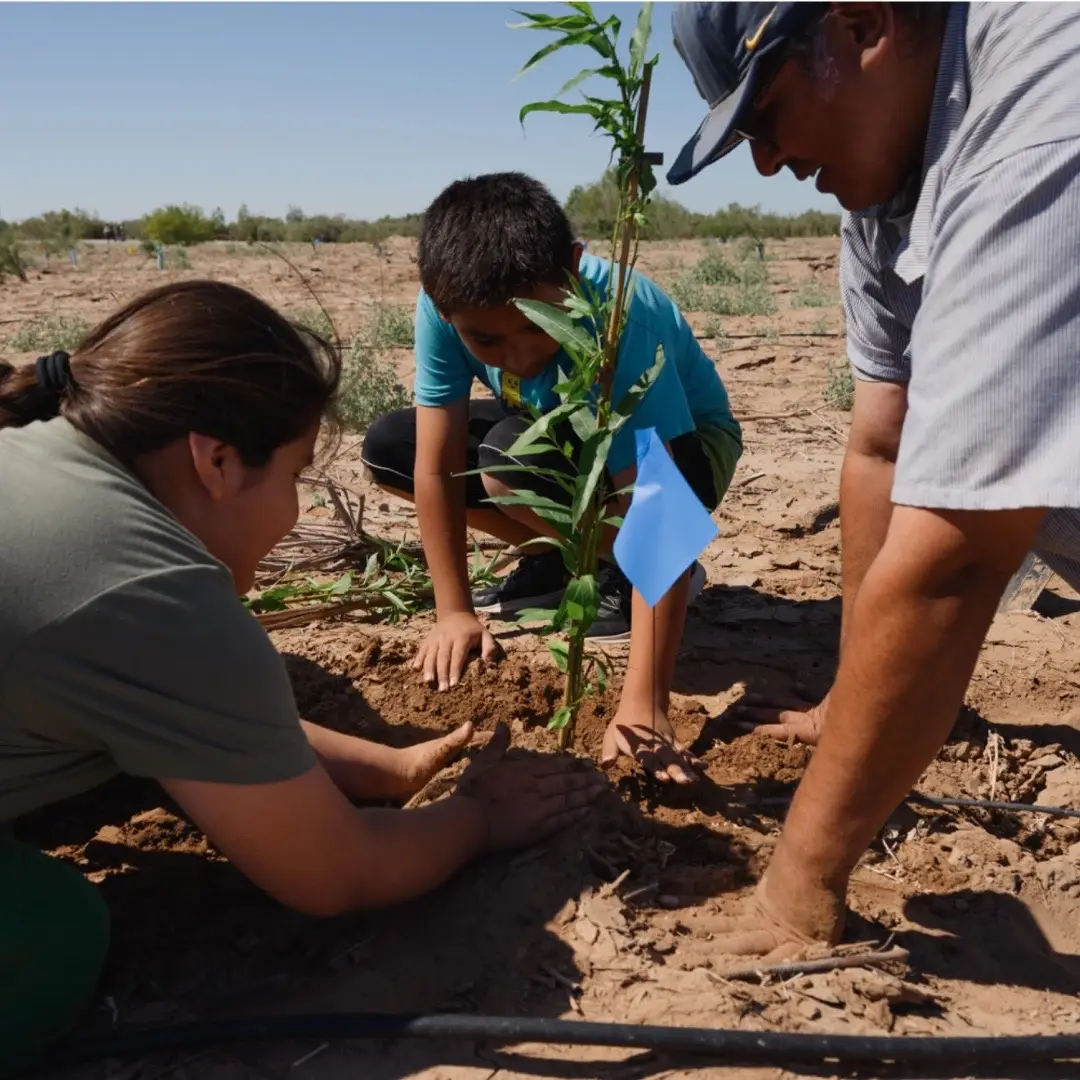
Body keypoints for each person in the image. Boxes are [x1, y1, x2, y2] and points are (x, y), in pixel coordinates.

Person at [0, 281, 605, 1073]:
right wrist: (478, 820)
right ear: (214, 459)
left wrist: (390, 769)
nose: (294, 505)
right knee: (51, 935)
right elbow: (337, 873)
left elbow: (186, 710)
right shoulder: (153, 593)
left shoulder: (44, 448)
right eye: (295, 475)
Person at [666, 0, 1080, 956]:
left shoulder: (1037, 126)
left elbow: (955, 556)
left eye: (765, 117)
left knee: (995, 462)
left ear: (860, 27)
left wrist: (796, 885)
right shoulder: (883, 187)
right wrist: (850, 699)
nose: (767, 163)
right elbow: (881, 449)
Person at [361, 172, 743, 784]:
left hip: (681, 448)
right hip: (554, 428)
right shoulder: (446, 303)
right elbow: (433, 464)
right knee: (393, 449)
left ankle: (629, 571)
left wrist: (644, 705)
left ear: (572, 267)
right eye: (486, 338)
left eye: (539, 326)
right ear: (439, 301)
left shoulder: (621, 318)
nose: (518, 355)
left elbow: (662, 495)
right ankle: (568, 557)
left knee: (510, 460)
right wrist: (453, 611)